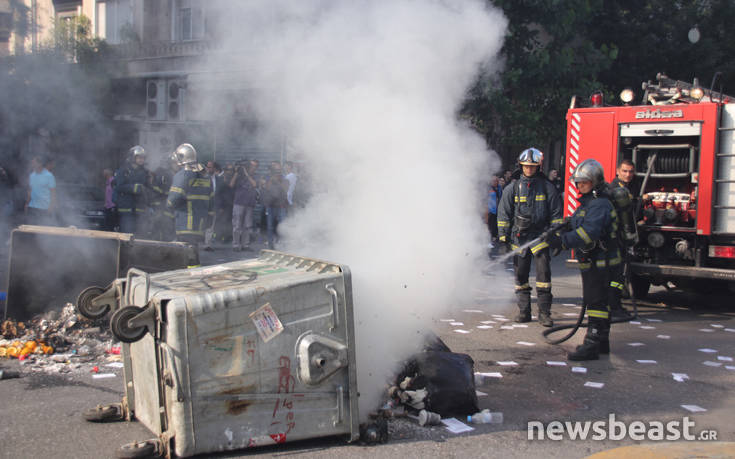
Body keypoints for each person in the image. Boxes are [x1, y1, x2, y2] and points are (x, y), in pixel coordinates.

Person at [547, 159, 622, 360]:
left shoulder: (599, 204)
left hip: (601, 263)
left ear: (595, 181)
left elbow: (589, 233)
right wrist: (565, 226)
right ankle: (602, 343)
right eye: (578, 182)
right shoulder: (589, 203)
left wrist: (561, 242)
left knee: (597, 304)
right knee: (598, 302)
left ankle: (592, 345)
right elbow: (579, 222)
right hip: (594, 262)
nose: (579, 185)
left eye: (584, 182)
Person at [498, 148, 562, 327]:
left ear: (538, 167)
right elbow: (503, 214)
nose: (529, 170)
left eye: (532, 167)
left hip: (540, 237)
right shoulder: (513, 188)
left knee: (544, 276)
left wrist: (556, 236)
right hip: (519, 239)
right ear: (521, 166)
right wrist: (503, 239)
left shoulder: (547, 187)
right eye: (526, 166)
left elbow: (556, 214)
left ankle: (544, 313)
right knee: (521, 277)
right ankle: (524, 311)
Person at [167, 143, 213, 252]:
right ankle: (195, 268)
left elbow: (173, 199)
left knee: (185, 256)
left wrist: (168, 207)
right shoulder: (205, 177)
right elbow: (212, 203)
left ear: (182, 158)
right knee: (193, 253)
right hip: (200, 225)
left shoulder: (183, 175)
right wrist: (208, 221)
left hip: (185, 224)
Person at [114, 145, 150, 235]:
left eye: (143, 158)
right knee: (127, 234)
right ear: (132, 158)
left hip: (140, 210)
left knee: (140, 235)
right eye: (139, 157)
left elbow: (148, 187)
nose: (141, 160)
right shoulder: (123, 171)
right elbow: (118, 187)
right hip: (126, 210)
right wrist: (134, 188)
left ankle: (137, 250)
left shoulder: (145, 172)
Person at [230, 160, 258, 252]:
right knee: (237, 225)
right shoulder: (238, 175)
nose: (253, 168)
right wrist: (236, 173)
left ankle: (245, 245)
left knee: (247, 226)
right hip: (239, 203)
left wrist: (246, 174)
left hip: (249, 204)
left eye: (254, 166)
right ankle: (236, 245)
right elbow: (231, 185)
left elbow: (254, 184)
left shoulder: (254, 176)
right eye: (252, 166)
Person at [263, 162, 288, 249]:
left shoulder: (285, 180)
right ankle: (271, 244)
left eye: (279, 170)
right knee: (270, 227)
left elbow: (285, 189)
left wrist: (277, 181)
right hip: (270, 206)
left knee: (282, 227)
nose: (278, 172)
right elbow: (267, 188)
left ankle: (281, 244)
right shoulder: (269, 179)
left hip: (281, 206)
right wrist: (271, 179)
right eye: (276, 170)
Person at [25, 156, 56, 226]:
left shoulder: (49, 176)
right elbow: (30, 190)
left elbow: (53, 193)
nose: (32, 164)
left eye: (34, 163)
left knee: (41, 231)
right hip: (32, 207)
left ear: (40, 164)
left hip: (44, 208)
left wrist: (51, 207)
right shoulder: (32, 175)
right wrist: (27, 203)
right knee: (31, 229)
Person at [486, 175, 501, 248]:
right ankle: (488, 240)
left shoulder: (499, 188)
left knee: (494, 226)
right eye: (494, 181)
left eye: (496, 181)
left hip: (497, 210)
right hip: (490, 210)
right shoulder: (488, 189)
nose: (495, 182)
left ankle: (493, 239)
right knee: (489, 226)